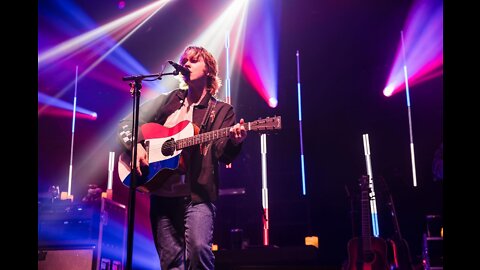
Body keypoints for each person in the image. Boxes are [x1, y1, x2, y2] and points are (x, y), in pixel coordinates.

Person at [117, 45, 247, 270]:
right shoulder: (170, 100)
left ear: (209, 70)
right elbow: (127, 123)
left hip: (197, 196)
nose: (186, 64)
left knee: (198, 251)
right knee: (170, 263)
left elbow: (220, 152)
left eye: (193, 60)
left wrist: (235, 140)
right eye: (184, 60)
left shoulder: (221, 111)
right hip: (161, 195)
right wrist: (137, 146)